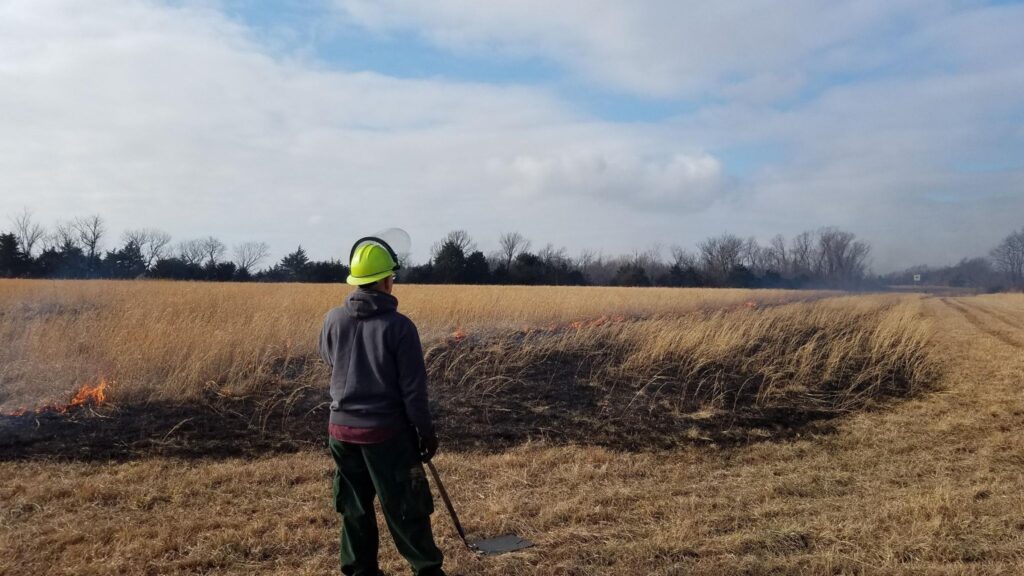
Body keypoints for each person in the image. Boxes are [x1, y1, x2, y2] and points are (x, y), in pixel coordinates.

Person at [319, 237, 445, 576]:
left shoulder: (332, 319)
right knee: (406, 507)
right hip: (385, 435)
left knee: (354, 507)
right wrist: (426, 432)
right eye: (392, 276)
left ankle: (359, 571)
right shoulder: (400, 327)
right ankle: (427, 571)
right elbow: (413, 393)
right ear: (386, 280)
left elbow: (330, 359)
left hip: (340, 433)